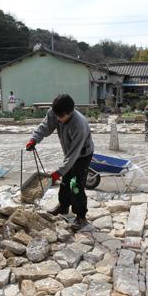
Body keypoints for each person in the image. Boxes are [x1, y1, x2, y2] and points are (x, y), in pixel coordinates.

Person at [26, 94, 94, 230]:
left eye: (61, 117)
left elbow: (74, 155)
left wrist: (59, 172)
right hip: (69, 152)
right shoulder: (56, 112)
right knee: (65, 181)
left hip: (82, 154)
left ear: (70, 112)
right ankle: (63, 207)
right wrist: (34, 139)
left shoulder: (79, 125)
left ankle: (81, 217)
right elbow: (45, 126)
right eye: (56, 116)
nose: (58, 119)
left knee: (75, 185)